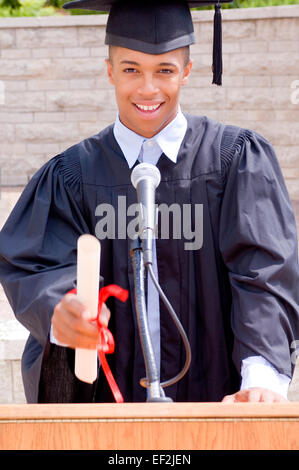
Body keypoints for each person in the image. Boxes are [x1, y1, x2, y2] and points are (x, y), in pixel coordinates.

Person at [0, 0, 298, 404]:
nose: (147, 88)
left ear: (187, 72)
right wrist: (61, 311)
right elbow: (35, 264)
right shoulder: (73, 175)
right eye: (130, 70)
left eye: (165, 70)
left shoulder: (234, 162)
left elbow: (264, 272)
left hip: (217, 408)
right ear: (109, 71)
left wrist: (260, 377)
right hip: (107, 409)